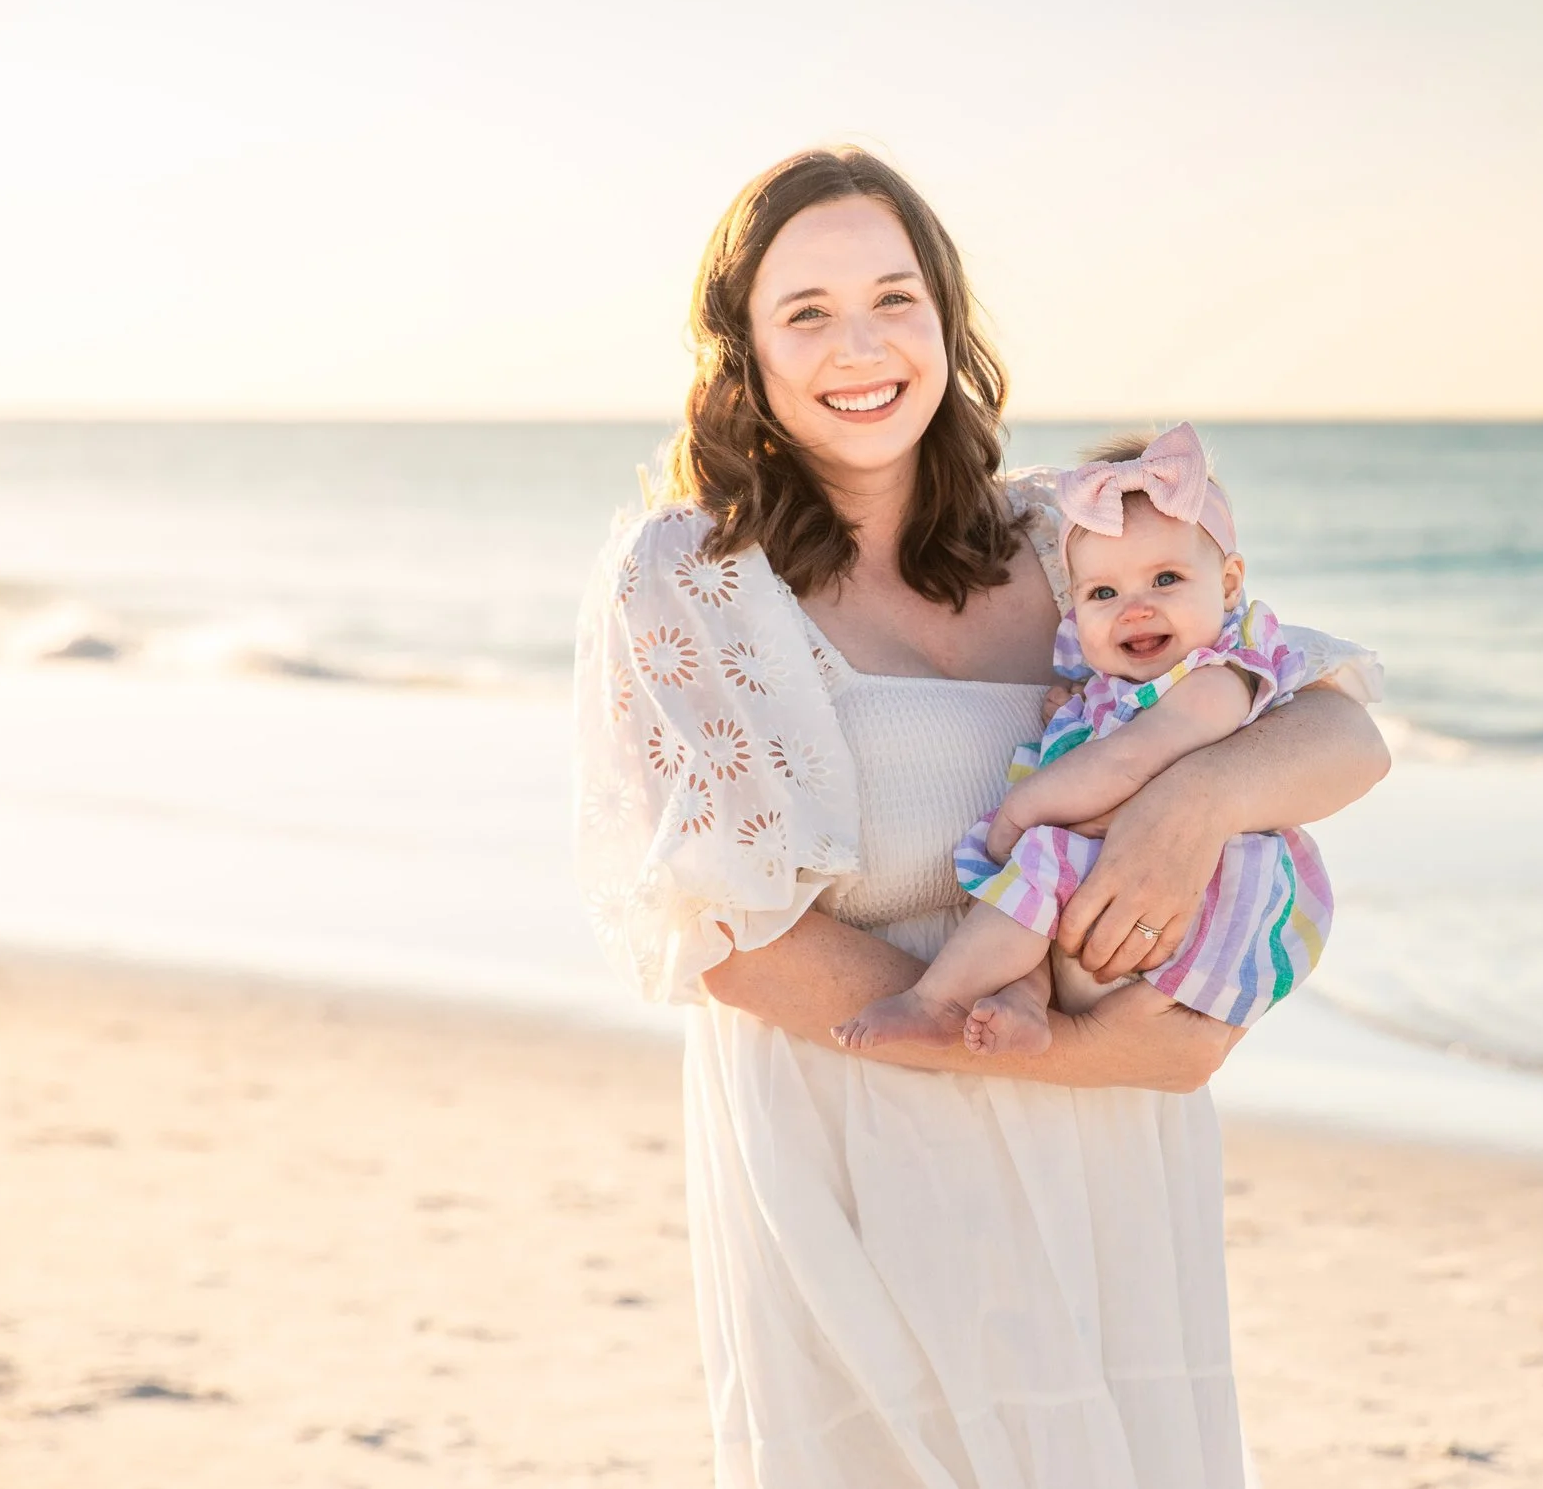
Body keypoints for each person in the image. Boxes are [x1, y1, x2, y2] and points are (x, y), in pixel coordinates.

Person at [573, 146, 1389, 1488]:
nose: (862, 345)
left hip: (1105, 1153)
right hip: (864, 1127)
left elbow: (1338, 718)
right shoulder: (693, 573)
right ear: (745, 352)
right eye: (809, 311)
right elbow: (721, 930)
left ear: (950, 319)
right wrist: (1068, 1046)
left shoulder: (1065, 537)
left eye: (896, 297)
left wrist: (1192, 800)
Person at [832, 421, 1337, 1060]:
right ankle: (1022, 999)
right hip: (1126, 910)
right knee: (1044, 881)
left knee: (1041, 856)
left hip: (1194, 907)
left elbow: (1128, 760)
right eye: (1104, 592)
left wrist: (1025, 805)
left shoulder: (1218, 680)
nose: (1135, 608)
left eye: (1166, 580)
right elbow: (1118, 741)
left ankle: (937, 1002)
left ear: (1230, 585)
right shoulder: (1125, 687)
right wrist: (1076, 716)